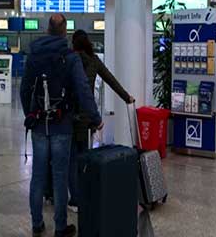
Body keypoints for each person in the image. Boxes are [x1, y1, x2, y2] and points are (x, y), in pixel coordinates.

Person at [21, 15, 103, 237]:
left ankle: (37, 223)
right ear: (64, 31)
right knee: (60, 176)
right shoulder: (70, 58)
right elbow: (83, 90)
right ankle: (60, 227)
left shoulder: (34, 55)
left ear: (48, 29)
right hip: (62, 125)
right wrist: (96, 118)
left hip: (39, 125)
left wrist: (30, 114)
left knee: (38, 175)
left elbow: (24, 89)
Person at [67, 29, 135, 212]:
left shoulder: (69, 59)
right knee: (83, 156)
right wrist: (126, 97)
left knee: (71, 159)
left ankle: (74, 199)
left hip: (69, 115)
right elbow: (111, 80)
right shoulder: (94, 60)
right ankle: (83, 193)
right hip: (87, 116)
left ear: (74, 43)